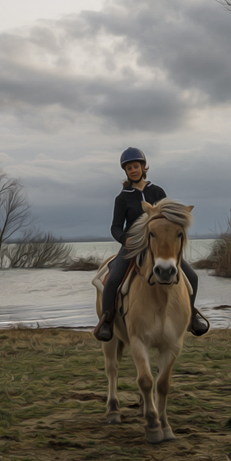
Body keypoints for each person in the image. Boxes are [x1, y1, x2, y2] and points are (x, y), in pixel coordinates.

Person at [95, 147, 209, 343]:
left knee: (192, 276)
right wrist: (124, 239)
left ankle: (191, 317)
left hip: (160, 245)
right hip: (133, 246)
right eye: (129, 168)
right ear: (126, 171)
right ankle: (106, 320)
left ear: (143, 167)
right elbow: (115, 227)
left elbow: (169, 218)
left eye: (136, 166)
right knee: (113, 278)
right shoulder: (122, 198)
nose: (133, 170)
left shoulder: (157, 191)